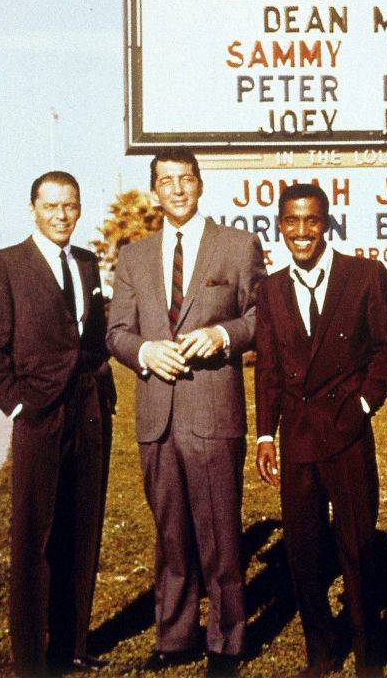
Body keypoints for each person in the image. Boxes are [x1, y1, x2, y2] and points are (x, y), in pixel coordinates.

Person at [107, 149, 265, 676]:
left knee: (219, 531)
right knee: (170, 532)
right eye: (165, 181)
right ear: (155, 190)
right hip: (157, 414)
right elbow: (116, 332)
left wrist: (222, 335)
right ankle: (175, 637)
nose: (176, 189)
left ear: (200, 185)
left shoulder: (237, 246)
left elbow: (260, 315)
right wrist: (144, 353)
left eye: (185, 179)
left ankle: (227, 640)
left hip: (213, 409)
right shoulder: (132, 256)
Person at [254, 183, 387, 678]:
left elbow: (386, 348)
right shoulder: (270, 289)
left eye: (311, 221)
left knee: (357, 542)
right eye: (292, 221)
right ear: (280, 225)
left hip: (347, 430)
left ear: (326, 222)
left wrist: (363, 403)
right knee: (303, 547)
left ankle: (366, 652)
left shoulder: (363, 276)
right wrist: (265, 435)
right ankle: (321, 651)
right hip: (296, 437)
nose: (301, 232)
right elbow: (269, 368)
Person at [0, 171, 115, 676]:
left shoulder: (88, 262)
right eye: (51, 206)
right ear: (33, 208)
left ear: (79, 209)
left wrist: (103, 394)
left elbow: (90, 340)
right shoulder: (5, 265)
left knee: (82, 530)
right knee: (35, 537)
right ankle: (32, 658)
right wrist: (16, 405)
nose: (61, 216)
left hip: (89, 416)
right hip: (38, 417)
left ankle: (71, 646)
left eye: (70, 206)